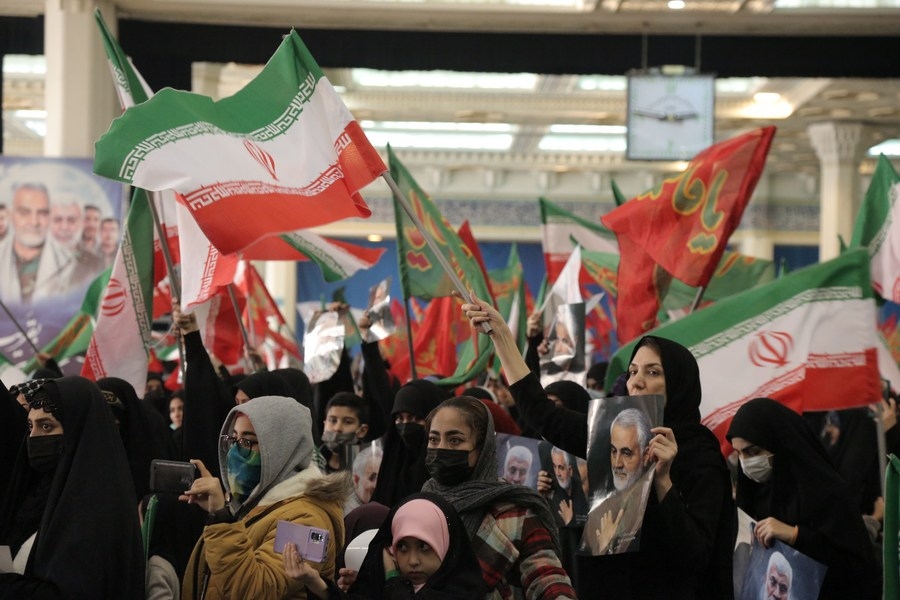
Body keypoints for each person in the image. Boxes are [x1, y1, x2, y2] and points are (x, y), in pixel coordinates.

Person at [461, 290, 735, 599]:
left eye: (653, 372)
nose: (637, 381)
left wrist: (662, 481)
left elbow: (696, 554)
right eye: (632, 371)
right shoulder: (612, 431)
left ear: (679, 383)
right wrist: (501, 336)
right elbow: (543, 414)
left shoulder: (700, 454)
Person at [181, 395, 351, 599]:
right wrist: (225, 508)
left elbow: (255, 590)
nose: (236, 450)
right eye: (233, 438)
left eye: (248, 441)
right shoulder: (252, 500)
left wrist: (221, 517)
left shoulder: (307, 520)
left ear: (282, 449)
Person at [0, 376, 145, 598]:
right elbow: (10, 550)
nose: (33, 437)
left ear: (77, 430)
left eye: (46, 426)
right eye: (30, 426)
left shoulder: (98, 508)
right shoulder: (38, 496)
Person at [422, 395, 576, 599]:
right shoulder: (421, 506)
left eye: (455, 440)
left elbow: (546, 576)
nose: (441, 448)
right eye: (434, 439)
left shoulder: (516, 513)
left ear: (483, 448)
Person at [727, 397, 880, 600]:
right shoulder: (756, 492)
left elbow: (854, 566)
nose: (746, 463)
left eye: (754, 452)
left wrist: (795, 535)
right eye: (739, 454)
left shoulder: (826, 491)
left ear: (779, 442)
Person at [285, 492, 485, 599]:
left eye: (424, 547)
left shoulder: (462, 591)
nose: (413, 561)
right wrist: (313, 580)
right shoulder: (383, 585)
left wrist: (392, 578)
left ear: (446, 545)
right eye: (403, 548)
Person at [0, 182, 93, 304]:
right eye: (24, 212)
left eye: (42, 213)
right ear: (11, 215)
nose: (34, 222)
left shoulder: (74, 264)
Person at [583, 408, 654, 554]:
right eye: (614, 451)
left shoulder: (653, 503)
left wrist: (606, 546)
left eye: (626, 453)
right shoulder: (600, 510)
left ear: (646, 455)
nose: (617, 463)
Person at [371, 380, 448, 508]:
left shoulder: (446, 470)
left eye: (415, 418)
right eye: (400, 418)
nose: (405, 426)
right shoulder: (392, 464)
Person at [319, 392, 371, 473]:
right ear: (324, 424)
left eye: (347, 422)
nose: (337, 428)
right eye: (333, 420)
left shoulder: (370, 466)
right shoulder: (312, 461)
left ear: (362, 431)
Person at [345, 444, 383, 514]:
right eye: (373, 478)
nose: (377, 485)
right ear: (356, 480)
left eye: (382, 478)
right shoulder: (346, 513)